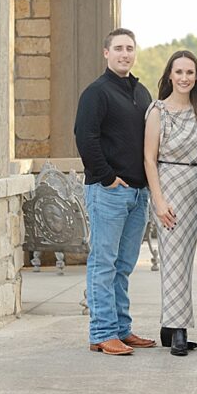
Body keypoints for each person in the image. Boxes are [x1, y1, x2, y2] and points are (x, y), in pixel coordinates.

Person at [74, 27, 156, 355]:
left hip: (138, 193)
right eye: (118, 48)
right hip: (109, 192)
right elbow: (85, 136)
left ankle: (122, 328)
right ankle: (103, 332)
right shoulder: (97, 92)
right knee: (104, 263)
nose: (125, 53)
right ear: (106, 53)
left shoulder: (142, 93)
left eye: (129, 48)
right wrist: (107, 177)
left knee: (123, 265)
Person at [143, 50, 197, 357]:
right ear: (169, 74)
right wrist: (158, 199)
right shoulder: (158, 111)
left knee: (184, 258)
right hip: (167, 185)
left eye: (190, 72)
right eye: (179, 72)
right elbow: (148, 158)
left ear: (196, 77)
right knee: (172, 257)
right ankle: (179, 329)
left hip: (195, 186)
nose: (184, 78)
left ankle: (170, 324)